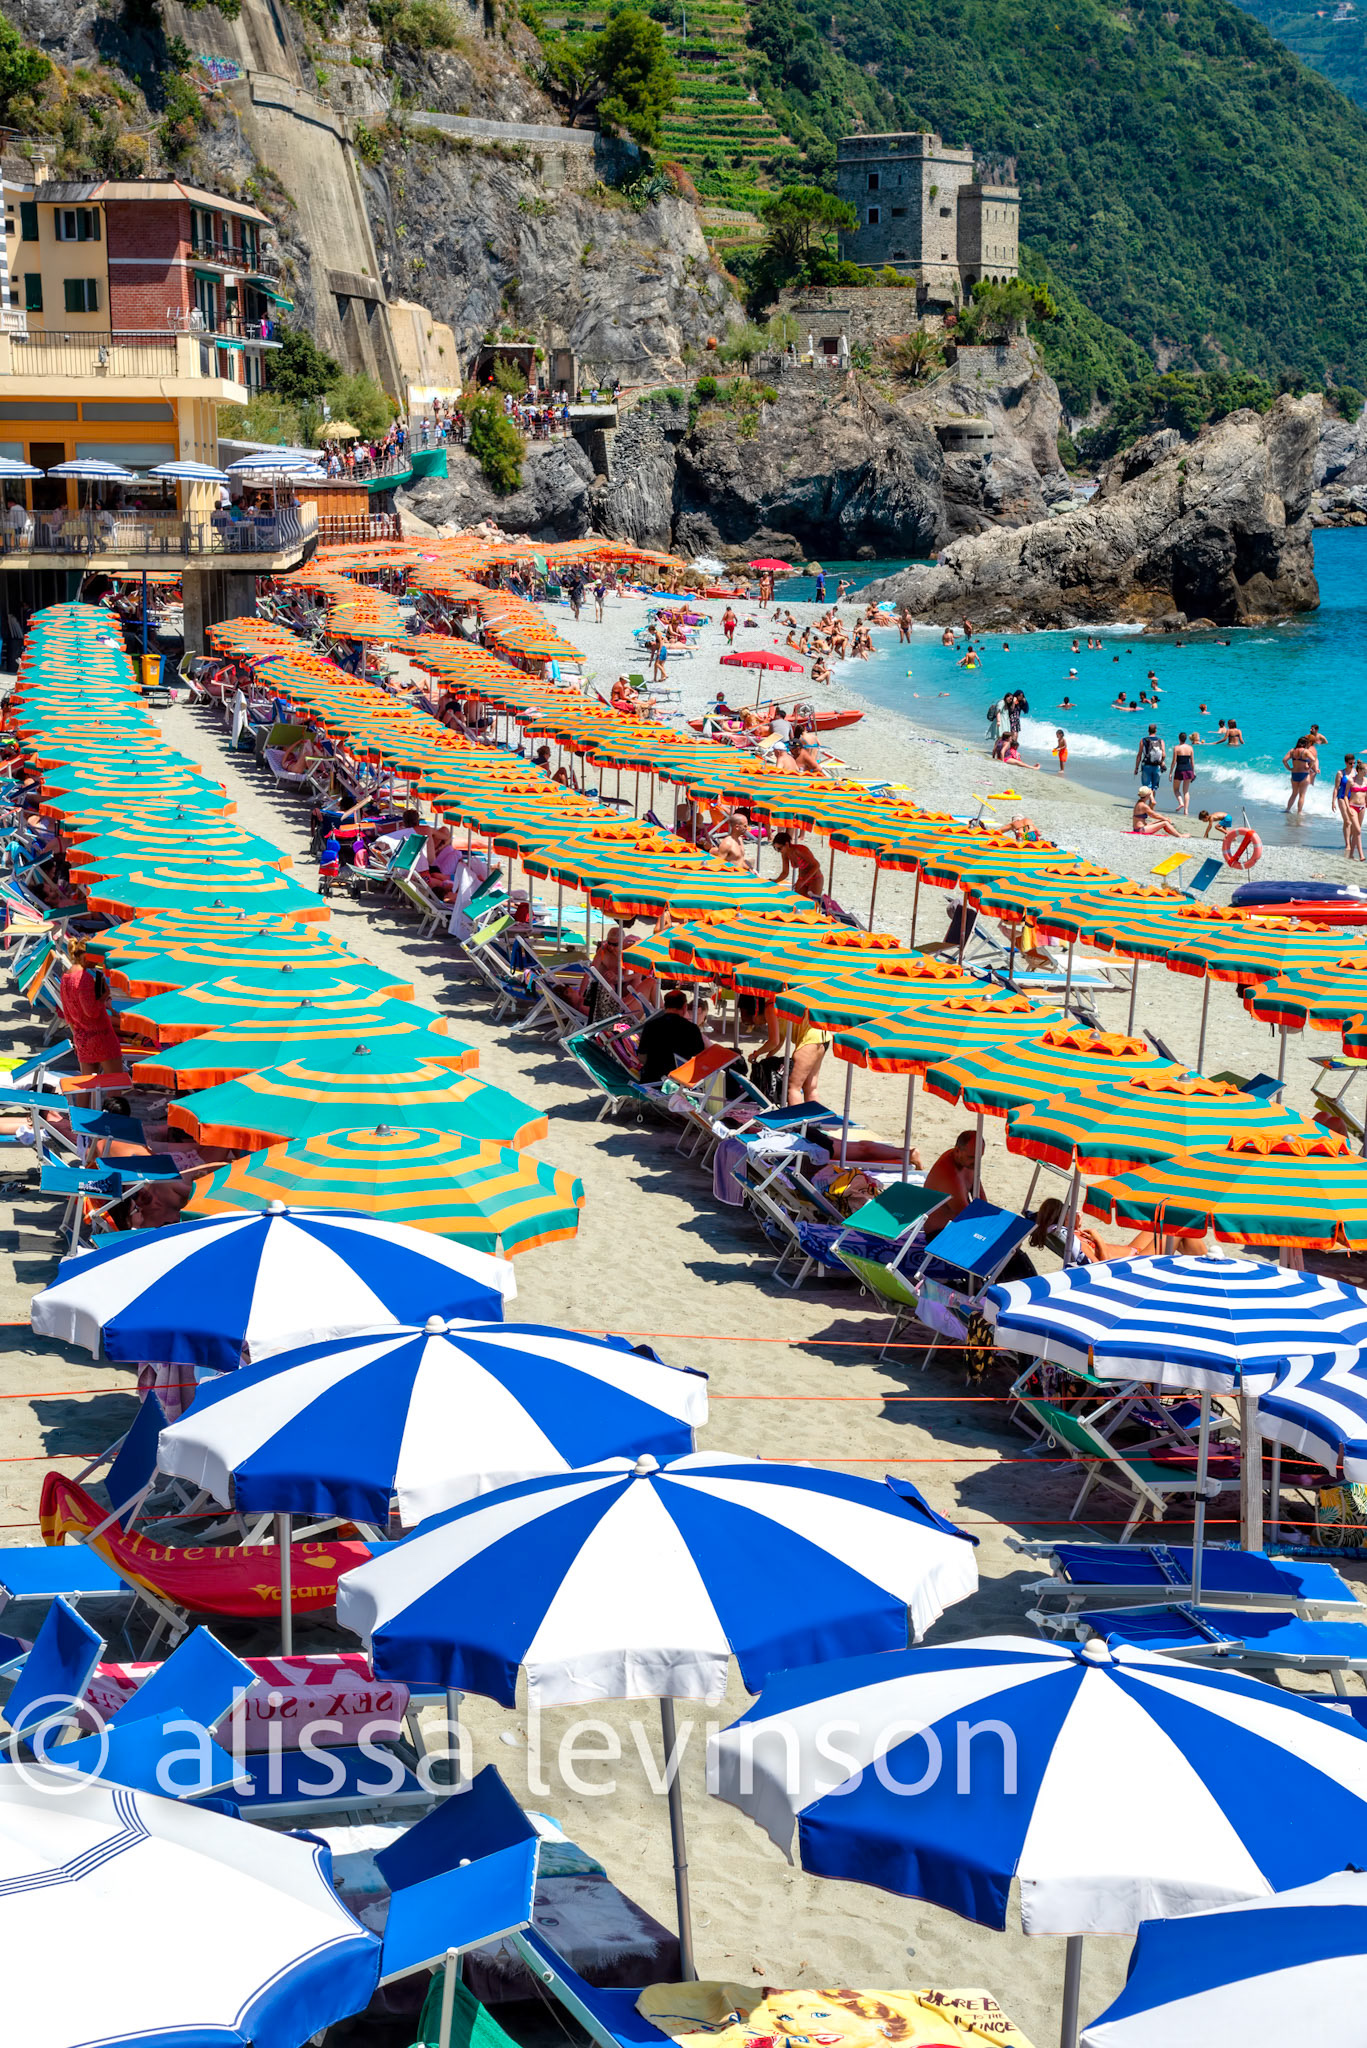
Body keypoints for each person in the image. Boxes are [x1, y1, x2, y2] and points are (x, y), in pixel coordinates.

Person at [60, 938, 126, 1087]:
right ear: (85, 956)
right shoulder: (84, 978)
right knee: (115, 1084)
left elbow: (68, 1015)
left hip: (82, 1037)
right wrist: (103, 996)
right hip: (101, 1036)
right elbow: (92, 1012)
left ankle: (82, 1110)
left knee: (85, 1087)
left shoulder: (66, 977)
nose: (96, 962)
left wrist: (77, 1039)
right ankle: (112, 1111)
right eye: (94, 958)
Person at [636, 989, 707, 1083]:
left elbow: (642, 1056)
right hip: (680, 1082)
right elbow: (699, 1058)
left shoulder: (651, 1026)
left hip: (651, 1081)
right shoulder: (692, 1029)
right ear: (684, 1007)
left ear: (665, 1006)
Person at [924, 1128, 981, 1222]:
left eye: (979, 1157)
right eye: (971, 1157)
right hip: (939, 1232)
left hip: (958, 1224)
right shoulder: (948, 1174)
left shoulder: (967, 1161)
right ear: (957, 1151)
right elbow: (965, 1215)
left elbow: (980, 1197)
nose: (976, 1161)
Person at [771, 830, 824, 899]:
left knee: (812, 904)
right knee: (798, 903)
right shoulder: (784, 854)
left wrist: (802, 881)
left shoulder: (800, 850)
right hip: (802, 878)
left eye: (779, 848)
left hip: (815, 878)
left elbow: (816, 865)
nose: (778, 851)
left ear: (787, 844)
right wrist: (774, 881)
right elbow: (785, 872)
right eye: (776, 849)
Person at [1283, 734, 1315, 818]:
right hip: (1304, 774)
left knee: (1294, 793)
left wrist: (1289, 768)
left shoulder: (1292, 751)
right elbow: (1313, 759)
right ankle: (1299, 812)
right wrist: (1309, 767)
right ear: (1305, 744)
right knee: (1302, 795)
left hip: (1294, 774)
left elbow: (1284, 760)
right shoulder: (1305, 751)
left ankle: (1287, 809)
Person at [1135, 722, 1165, 798]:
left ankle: (1151, 801)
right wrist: (1161, 762)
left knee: (1147, 786)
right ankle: (1151, 806)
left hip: (1146, 765)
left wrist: (1136, 768)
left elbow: (1139, 755)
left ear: (1148, 731)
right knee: (1154, 787)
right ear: (1156, 731)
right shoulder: (1161, 741)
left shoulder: (1143, 740)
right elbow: (1164, 755)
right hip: (1156, 766)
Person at [1170, 730, 1196, 814]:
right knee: (1186, 791)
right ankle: (1186, 810)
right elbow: (1192, 761)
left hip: (1180, 770)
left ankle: (1181, 803)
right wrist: (1193, 771)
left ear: (1179, 739)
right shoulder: (1190, 748)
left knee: (1176, 789)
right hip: (1188, 770)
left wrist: (1170, 772)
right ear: (1186, 739)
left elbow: (1174, 761)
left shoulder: (1177, 748)